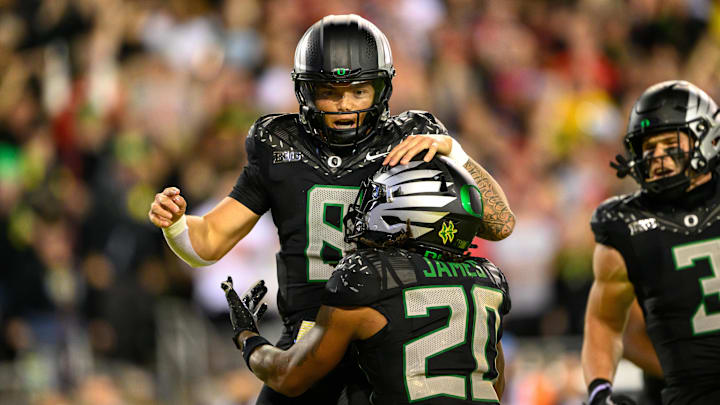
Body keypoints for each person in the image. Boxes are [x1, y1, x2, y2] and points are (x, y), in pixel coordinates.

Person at [147, 14, 515, 405]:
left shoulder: (410, 138)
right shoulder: (278, 145)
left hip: (389, 341)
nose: (344, 105)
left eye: (358, 91)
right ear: (305, 92)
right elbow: (208, 241)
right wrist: (175, 224)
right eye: (329, 91)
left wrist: (452, 150)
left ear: (381, 87)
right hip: (309, 338)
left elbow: (499, 222)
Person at [222, 156, 511, 404]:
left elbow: (289, 376)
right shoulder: (489, 278)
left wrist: (247, 337)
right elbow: (494, 386)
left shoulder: (369, 275)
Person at [582, 80, 720, 405]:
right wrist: (600, 393)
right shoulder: (627, 226)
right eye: (649, 147)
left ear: (707, 137)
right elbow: (604, 321)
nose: (657, 157)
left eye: (669, 143)